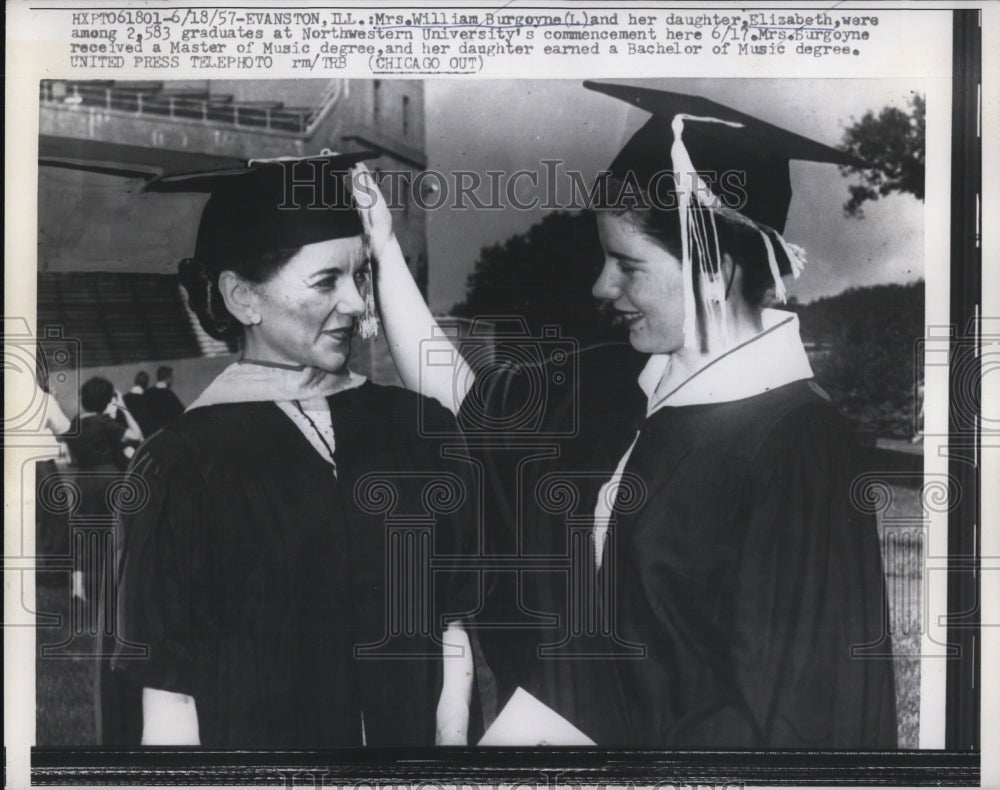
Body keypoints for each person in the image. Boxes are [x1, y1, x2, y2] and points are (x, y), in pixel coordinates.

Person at [369, 83, 897, 748]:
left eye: (628, 264)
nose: (602, 285)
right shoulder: (615, 387)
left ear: (713, 268)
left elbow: (807, 722)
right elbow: (460, 405)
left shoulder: (798, 447)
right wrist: (384, 251)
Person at [101, 152, 478, 748]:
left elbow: (452, 624)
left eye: (359, 276)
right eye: (326, 281)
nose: (355, 303)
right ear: (241, 298)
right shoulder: (179, 467)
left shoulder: (413, 429)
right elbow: (169, 694)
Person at [140, 366, 184, 435]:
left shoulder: (146, 393)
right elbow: (181, 414)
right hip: (166, 435)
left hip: (149, 435)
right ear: (168, 378)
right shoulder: (170, 395)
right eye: (172, 378)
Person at [123, 370, 151, 436]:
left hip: (127, 435)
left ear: (135, 382)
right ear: (147, 384)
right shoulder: (148, 400)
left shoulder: (123, 398)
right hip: (143, 436)